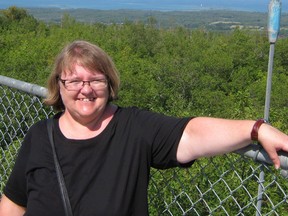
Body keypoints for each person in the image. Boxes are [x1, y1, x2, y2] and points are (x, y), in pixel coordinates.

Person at [0, 40, 288, 216]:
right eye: (74, 81)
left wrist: (255, 129)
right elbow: (13, 203)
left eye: (96, 80)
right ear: (59, 87)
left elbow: (190, 132)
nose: (85, 90)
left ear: (109, 84)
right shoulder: (40, 135)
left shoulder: (133, 128)